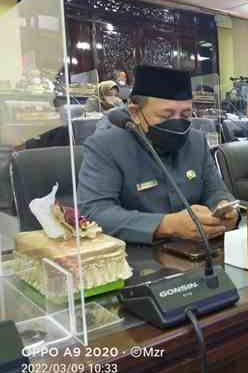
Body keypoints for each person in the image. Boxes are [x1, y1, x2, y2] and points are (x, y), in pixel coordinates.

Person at [78, 65, 238, 245]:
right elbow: (94, 211)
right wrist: (165, 225)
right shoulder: (105, 146)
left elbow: (215, 190)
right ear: (135, 113)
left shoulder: (196, 141)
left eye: (185, 115)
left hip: (197, 250)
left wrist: (224, 207)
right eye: (166, 116)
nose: (177, 123)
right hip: (137, 254)